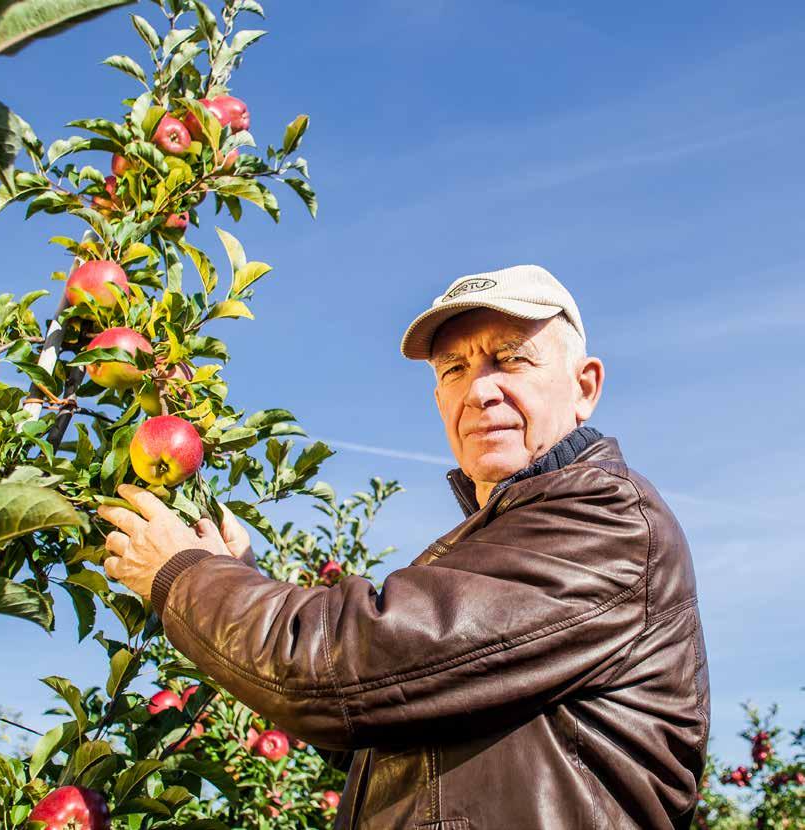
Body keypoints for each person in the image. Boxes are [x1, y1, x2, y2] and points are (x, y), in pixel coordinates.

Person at [98, 264, 710, 829]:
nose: (480, 391)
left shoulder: (605, 521)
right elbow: (379, 721)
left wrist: (182, 575)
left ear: (585, 387)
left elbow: (339, 666)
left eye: (511, 359)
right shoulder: (496, 544)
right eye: (454, 370)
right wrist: (239, 577)